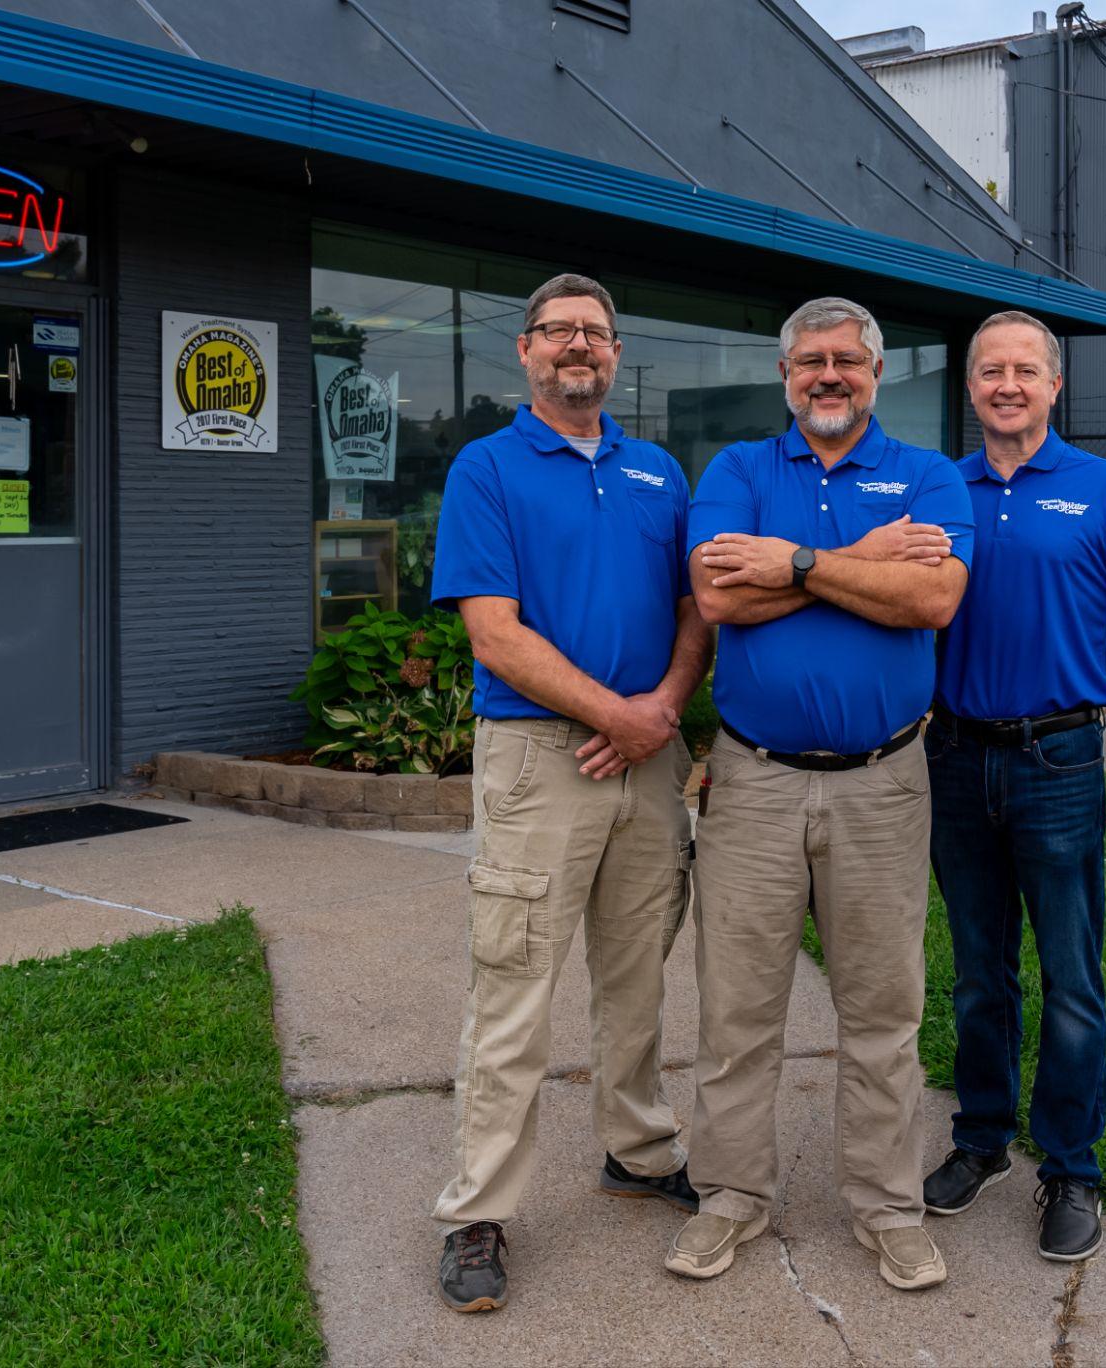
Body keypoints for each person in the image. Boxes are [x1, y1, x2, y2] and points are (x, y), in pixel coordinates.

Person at [666, 297, 972, 1291]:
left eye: (846, 359)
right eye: (809, 361)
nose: (827, 375)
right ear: (785, 376)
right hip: (752, 783)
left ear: (876, 372)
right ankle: (730, 1198)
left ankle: (885, 1207)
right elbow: (717, 597)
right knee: (735, 1010)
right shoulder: (738, 471)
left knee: (883, 1012)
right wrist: (866, 560)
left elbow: (931, 598)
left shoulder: (927, 476)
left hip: (884, 784)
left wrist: (792, 561)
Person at [426, 273, 712, 1313]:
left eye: (593, 333)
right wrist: (616, 715)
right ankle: (477, 1210)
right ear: (526, 352)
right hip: (540, 759)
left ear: (616, 355)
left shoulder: (657, 476)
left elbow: (697, 609)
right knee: (514, 990)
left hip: (647, 755)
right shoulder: (486, 468)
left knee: (636, 978)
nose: (576, 347)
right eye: (558, 333)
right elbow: (493, 631)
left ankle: (636, 1150)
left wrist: (663, 708)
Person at [919, 310, 1106, 1262]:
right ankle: (982, 1141)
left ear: (1055, 386)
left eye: (1026, 370)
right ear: (971, 387)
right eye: (991, 371)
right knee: (980, 974)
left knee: (1071, 979)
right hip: (954, 758)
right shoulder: (940, 488)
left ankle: (1071, 1165)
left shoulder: (1105, 490)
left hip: (1061, 761)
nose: (1008, 385)